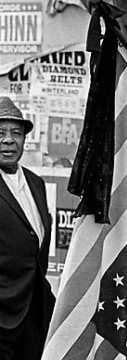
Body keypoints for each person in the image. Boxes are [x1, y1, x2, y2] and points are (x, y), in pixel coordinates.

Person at [0, 97, 55, 360]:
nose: (8, 140)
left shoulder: (36, 183)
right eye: (0, 133)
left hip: (34, 317)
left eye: (16, 133)